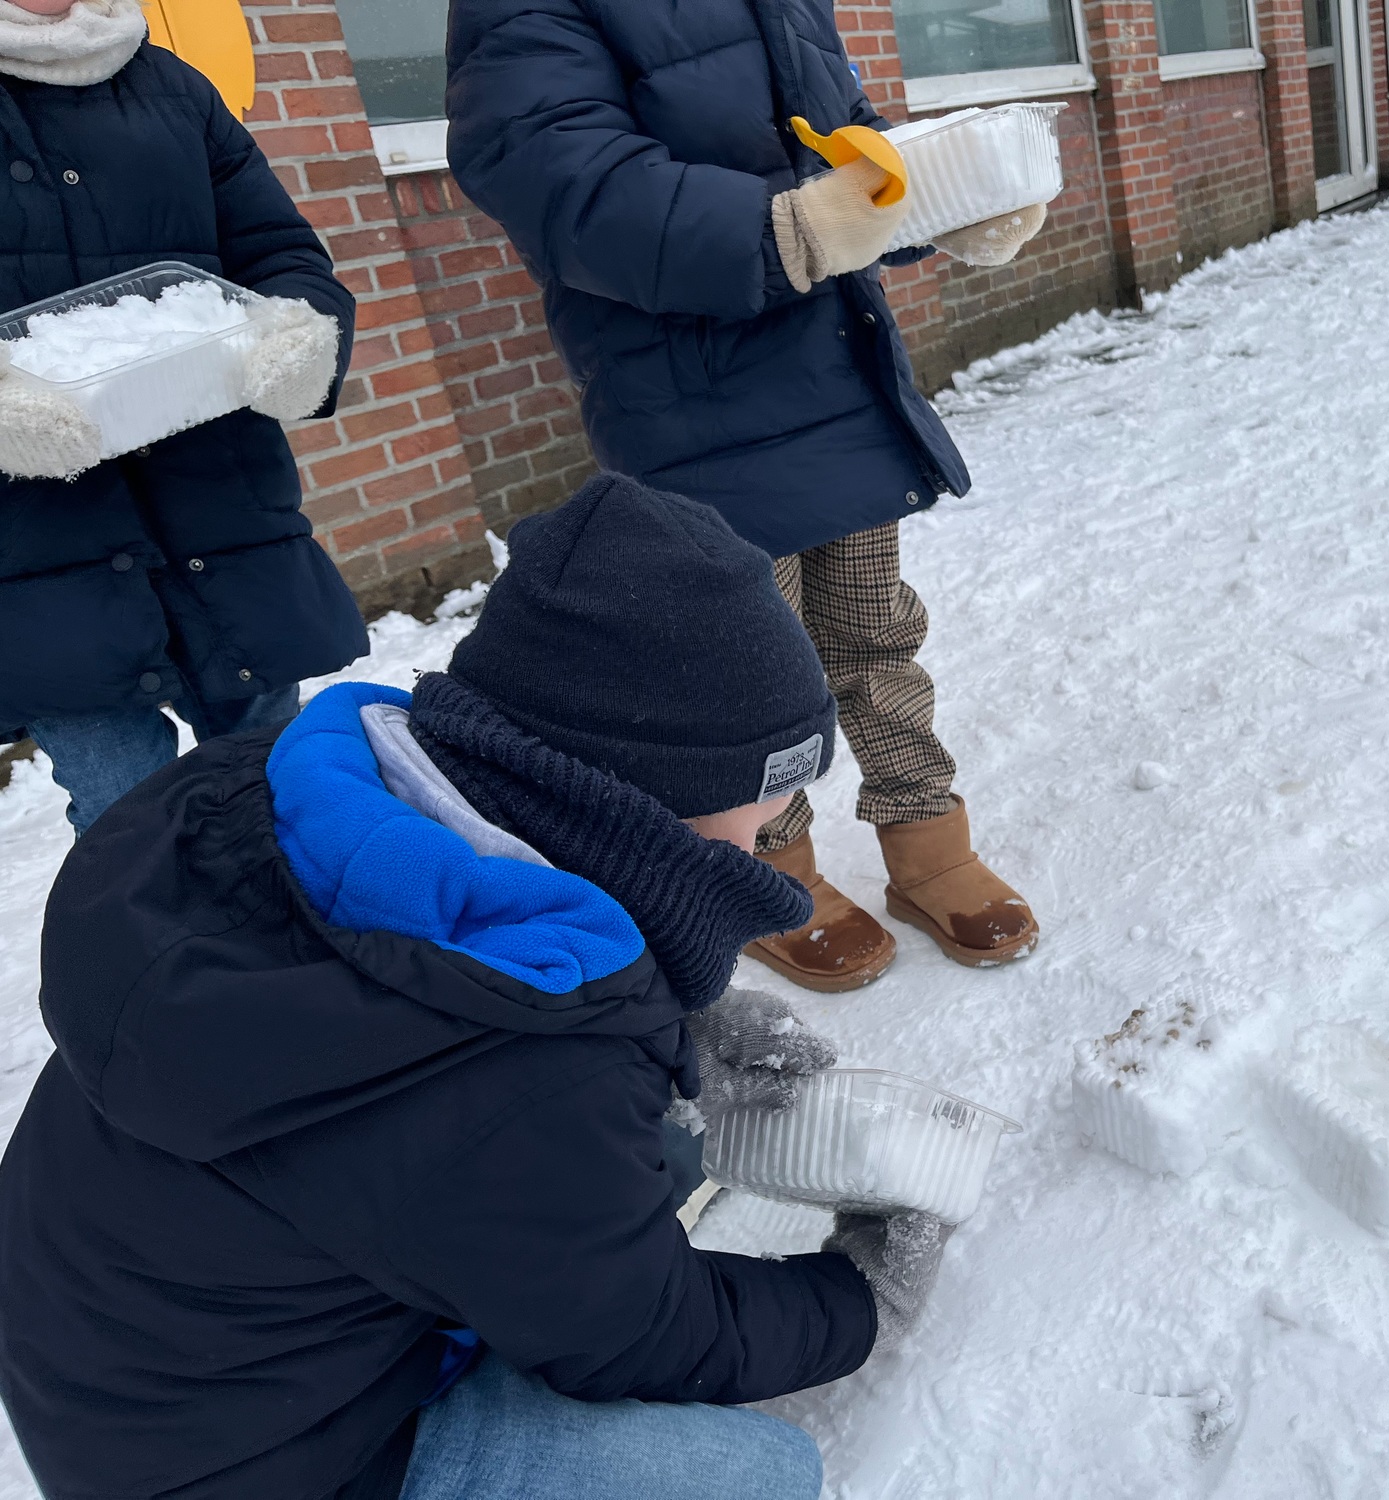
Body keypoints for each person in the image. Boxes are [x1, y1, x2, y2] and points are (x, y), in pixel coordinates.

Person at [0, 474, 957, 1500]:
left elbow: (451, 1098)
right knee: (751, 1473)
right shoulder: (520, 1068)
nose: (770, 837)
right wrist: (860, 1298)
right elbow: (639, 1334)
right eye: (764, 801)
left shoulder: (309, 800)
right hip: (249, 1462)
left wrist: (669, 1031)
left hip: (132, 1363)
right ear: (648, 800)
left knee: (638, 1161)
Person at [445, 0, 1046, 992]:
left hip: (835, 376)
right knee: (749, 681)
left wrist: (940, 201)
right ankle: (774, 876)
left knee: (874, 634)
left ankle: (929, 843)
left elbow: (849, 147)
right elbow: (562, 178)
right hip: (692, 402)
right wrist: (786, 230)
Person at [0, 0, 364, 832]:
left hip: (221, 520)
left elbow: (279, 250)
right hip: (37, 557)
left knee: (289, 801)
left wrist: (296, 332)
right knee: (135, 833)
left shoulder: (173, 86)